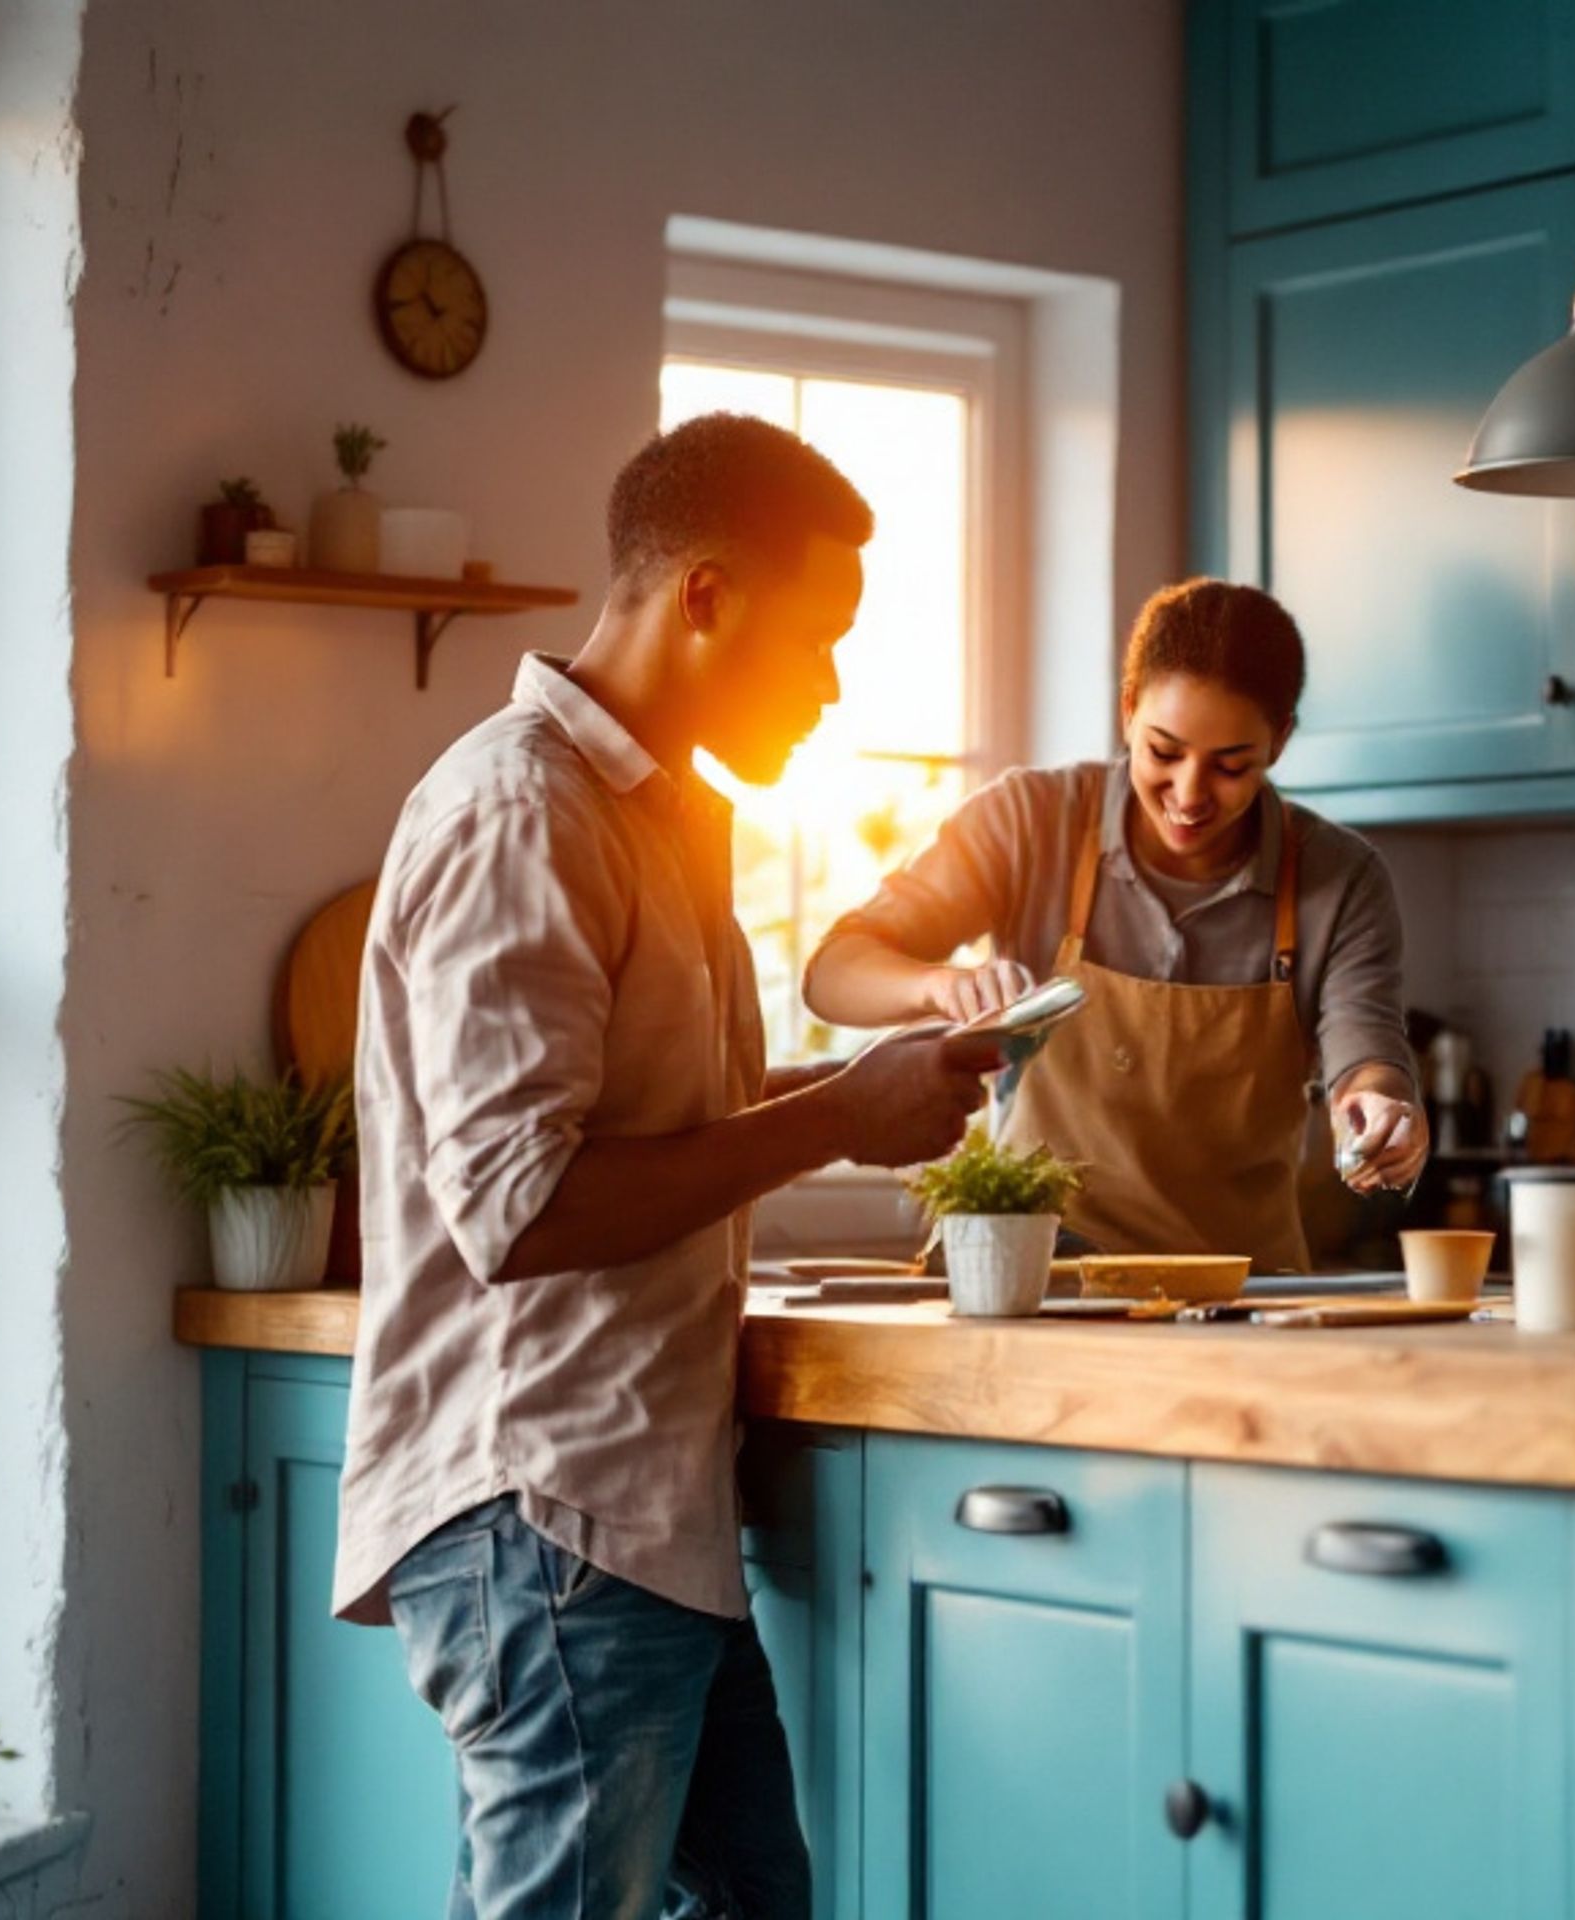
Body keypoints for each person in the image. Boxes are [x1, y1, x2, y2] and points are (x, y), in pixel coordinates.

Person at [333, 412, 1006, 1920]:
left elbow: (649, 1114)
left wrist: (866, 1088)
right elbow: (521, 1204)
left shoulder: (649, 818)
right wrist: (843, 1114)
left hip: (634, 1510)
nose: (834, 686)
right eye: (820, 638)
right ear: (704, 594)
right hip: (549, 1513)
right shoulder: (525, 811)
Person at [803, 577, 1427, 1276]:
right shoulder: (1029, 820)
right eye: (1163, 752)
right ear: (1128, 710)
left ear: (1278, 742)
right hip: (1038, 1283)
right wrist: (940, 986)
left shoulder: (1339, 879)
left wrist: (1380, 1107)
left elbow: (1364, 1053)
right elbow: (833, 976)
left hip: (1243, 1299)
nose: (1189, 795)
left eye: (1230, 766)